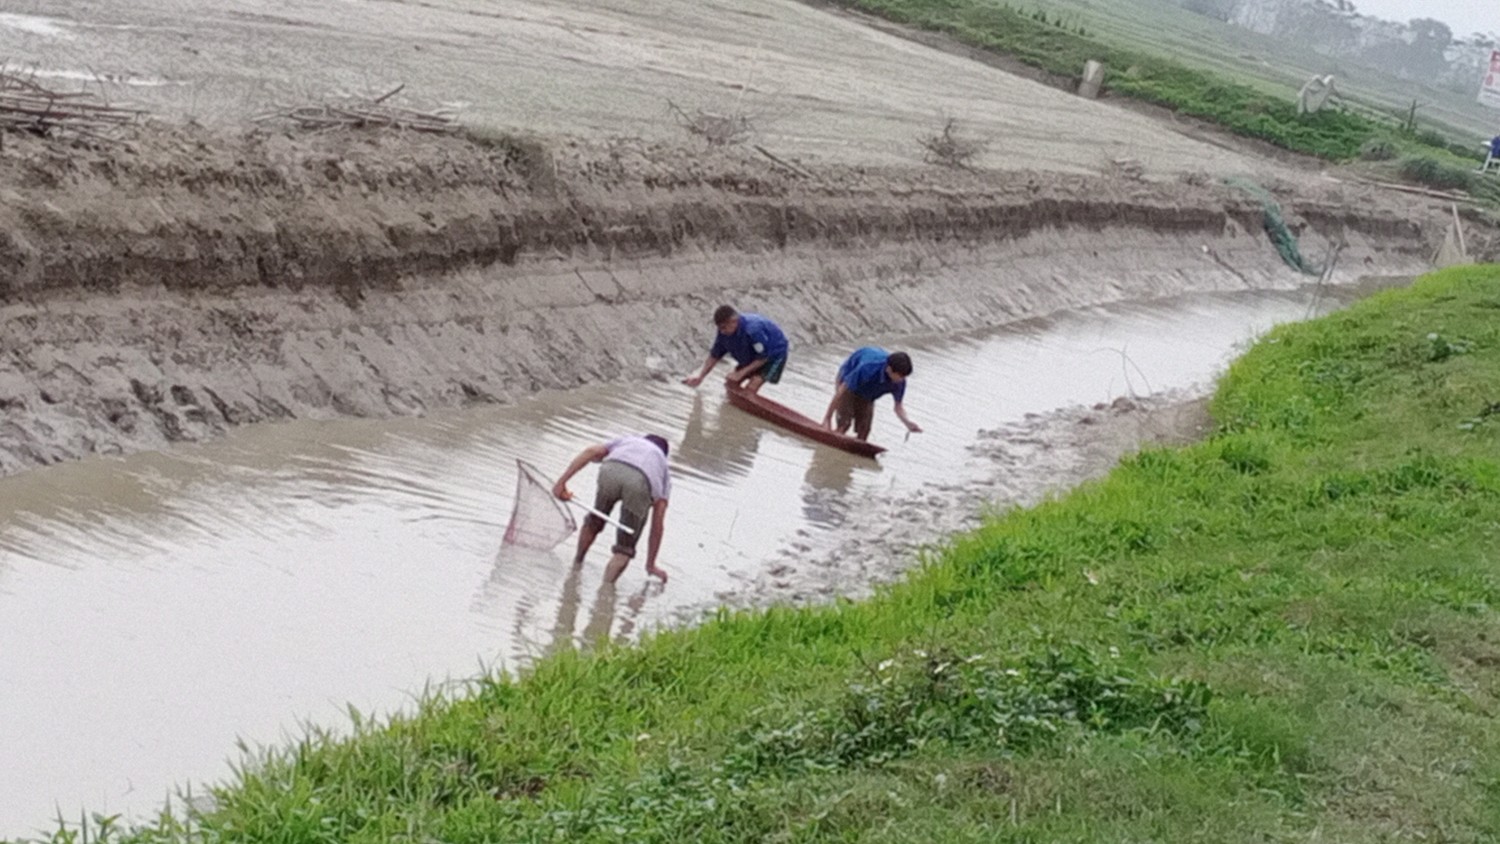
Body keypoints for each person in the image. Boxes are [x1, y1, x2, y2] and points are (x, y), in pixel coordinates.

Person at [552, 434, 671, 584]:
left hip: (611, 469)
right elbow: (658, 524)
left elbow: (590, 451)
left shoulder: (628, 440)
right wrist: (650, 564)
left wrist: (561, 483)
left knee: (594, 520)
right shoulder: (663, 469)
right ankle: (605, 591)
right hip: (641, 483)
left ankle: (577, 563)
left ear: (643, 439)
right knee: (624, 548)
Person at [821, 346, 922, 442]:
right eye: (900, 376)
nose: (902, 380)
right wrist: (827, 418)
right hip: (849, 379)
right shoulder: (867, 368)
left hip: (868, 393)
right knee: (844, 425)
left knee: (864, 431)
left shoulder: (900, 382)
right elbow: (841, 391)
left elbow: (898, 406)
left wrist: (907, 423)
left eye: (904, 377)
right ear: (889, 369)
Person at [682, 305, 789, 394]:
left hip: (773, 354)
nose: (722, 332)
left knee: (752, 385)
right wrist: (701, 377)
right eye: (720, 328)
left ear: (733, 322)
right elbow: (715, 355)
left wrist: (740, 373)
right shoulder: (723, 333)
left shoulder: (752, 331)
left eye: (724, 327)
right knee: (730, 383)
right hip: (752, 354)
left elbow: (763, 357)